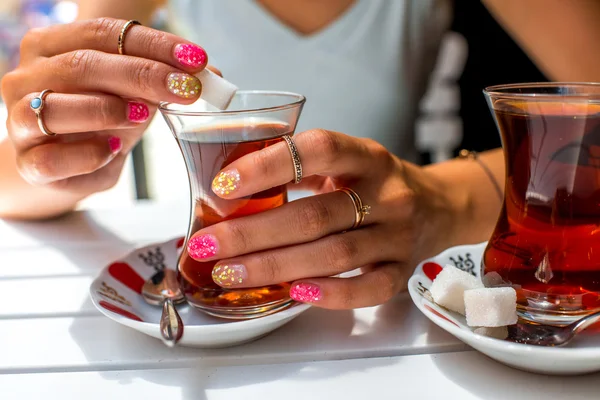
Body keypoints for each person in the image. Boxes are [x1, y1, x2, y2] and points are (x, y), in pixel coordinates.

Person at [1, 0, 599, 309]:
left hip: (393, 290)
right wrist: (58, 155)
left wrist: (439, 200)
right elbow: (12, 181)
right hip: (213, 293)